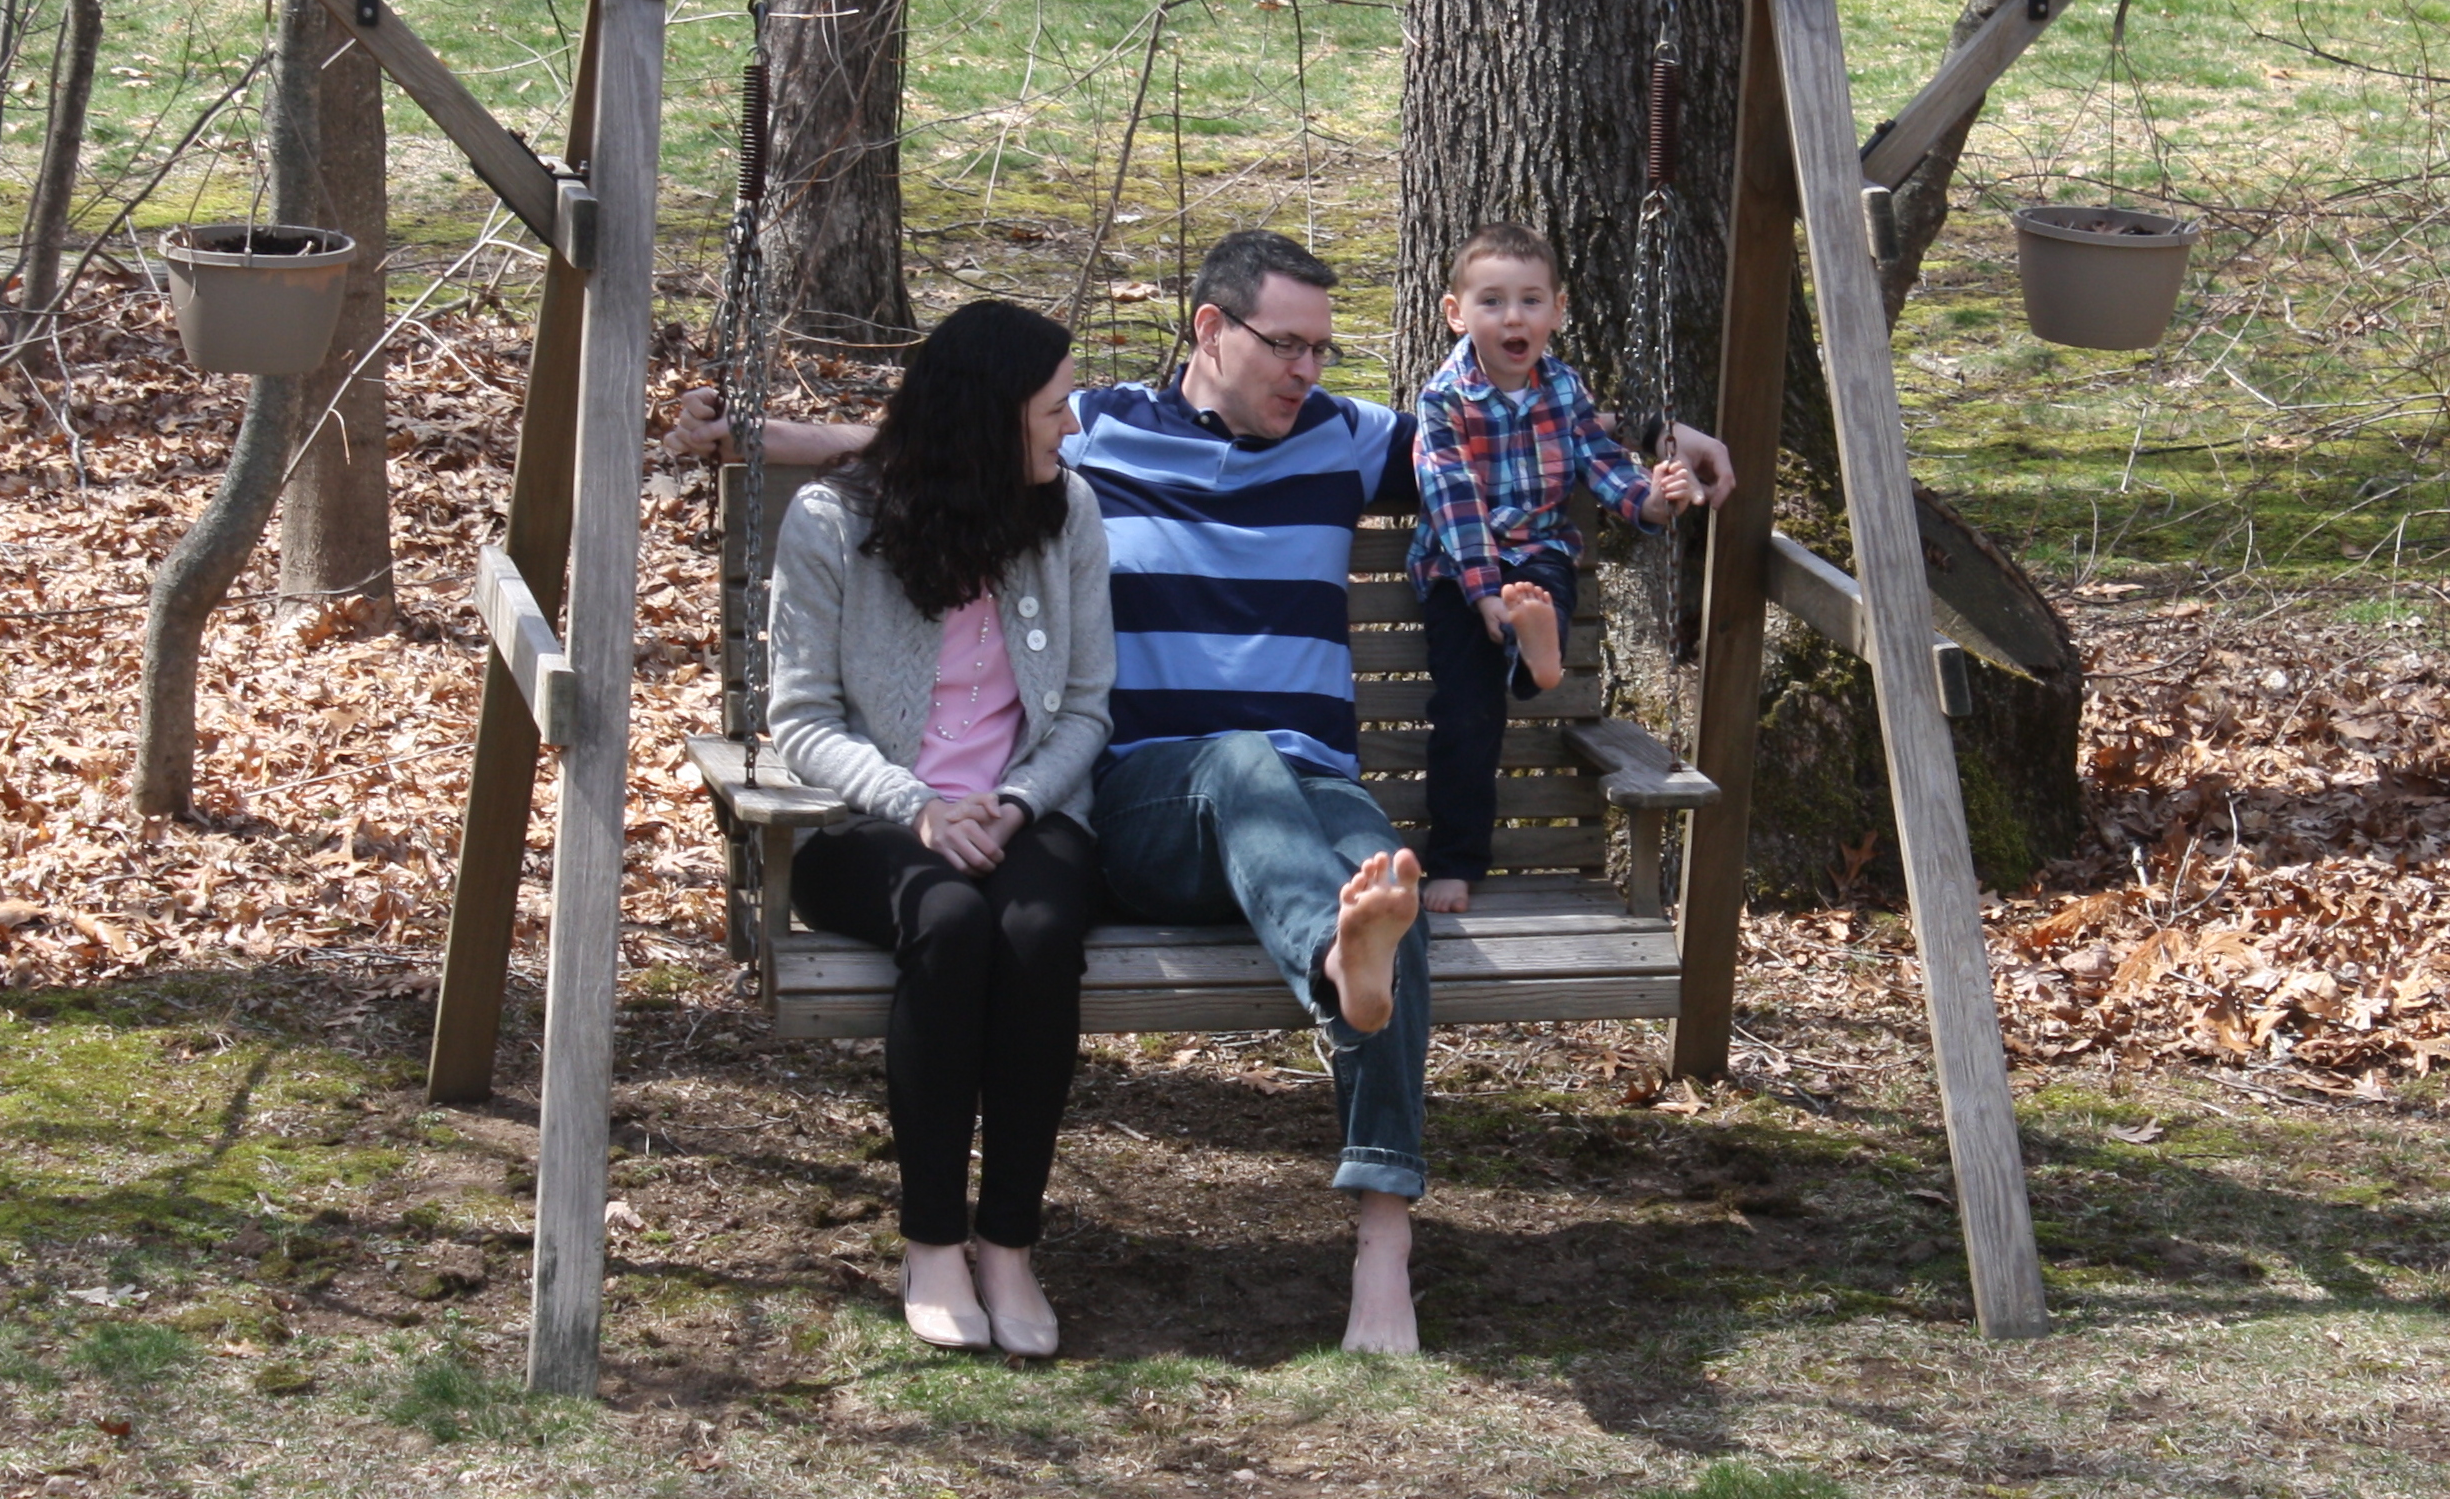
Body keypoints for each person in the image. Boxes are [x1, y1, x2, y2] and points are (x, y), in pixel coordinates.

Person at [667, 234, 1734, 1355]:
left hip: (1310, 787)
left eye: (1321, 351)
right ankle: (1336, 962)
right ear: (1211, 329)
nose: (1307, 372)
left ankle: (1382, 1247)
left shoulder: (1349, 438)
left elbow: (1516, 425)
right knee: (1241, 767)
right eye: (1286, 346)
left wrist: (1660, 438)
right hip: (1155, 802)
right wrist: (747, 434)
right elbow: (936, 439)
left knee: (1385, 880)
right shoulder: (1097, 431)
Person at [763, 299, 1115, 1359]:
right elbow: (800, 721)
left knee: (1039, 933)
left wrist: (1016, 801)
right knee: (950, 924)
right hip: (863, 824)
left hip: (1024, 811)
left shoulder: (1066, 513)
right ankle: (930, 1242)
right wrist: (914, 805)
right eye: (1055, 409)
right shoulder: (832, 523)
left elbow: (1086, 706)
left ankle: (1006, 1242)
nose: (1072, 428)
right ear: (989, 417)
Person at [1410, 224, 1702, 915]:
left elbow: (1600, 463)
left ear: (1557, 310)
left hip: (1540, 550)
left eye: (1530, 300)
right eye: (1491, 301)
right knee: (1465, 713)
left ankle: (1538, 652)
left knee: (1548, 581)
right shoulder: (1443, 399)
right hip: (1459, 567)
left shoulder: (1563, 388)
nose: (1513, 317)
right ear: (1456, 314)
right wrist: (1484, 594)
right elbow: (1452, 502)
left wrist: (1652, 502)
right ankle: (1454, 861)